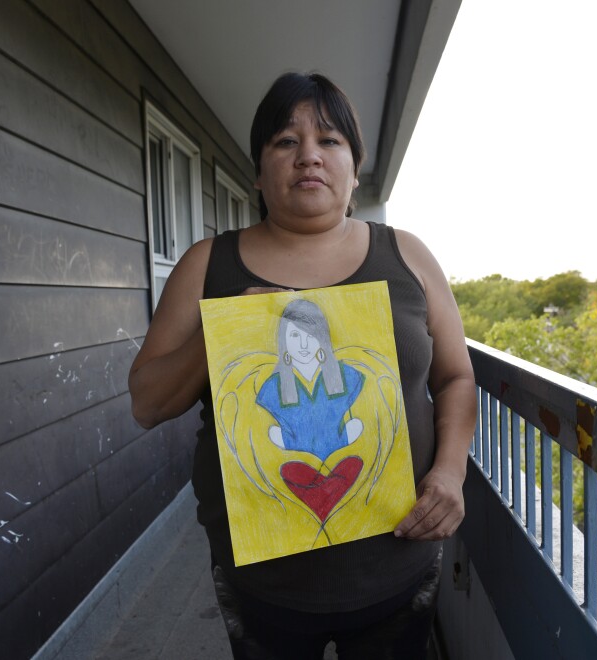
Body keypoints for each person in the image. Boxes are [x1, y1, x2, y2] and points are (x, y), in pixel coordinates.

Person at [129, 71, 476, 659]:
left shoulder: (407, 254)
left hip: (397, 561)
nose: (308, 156)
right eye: (285, 142)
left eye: (330, 140)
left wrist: (449, 472)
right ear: (260, 172)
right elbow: (147, 403)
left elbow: (456, 376)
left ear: (355, 168)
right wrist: (225, 327)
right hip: (260, 580)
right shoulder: (209, 264)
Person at [256, 299, 365, 461]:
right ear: (283, 340)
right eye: (295, 335)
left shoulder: (347, 376)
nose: (303, 344)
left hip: (343, 463)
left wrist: (349, 435)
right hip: (297, 469)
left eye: (310, 334)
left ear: (322, 337)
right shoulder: (272, 387)